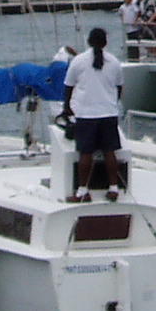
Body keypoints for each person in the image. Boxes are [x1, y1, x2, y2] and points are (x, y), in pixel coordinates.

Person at [63, 27, 128, 202]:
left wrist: (67, 107)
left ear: (89, 41)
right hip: (108, 113)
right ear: (105, 42)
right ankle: (114, 188)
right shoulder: (114, 62)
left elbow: (68, 86)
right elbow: (119, 87)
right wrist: (112, 102)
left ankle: (83, 191)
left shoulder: (78, 61)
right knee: (109, 152)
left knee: (86, 153)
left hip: (86, 114)